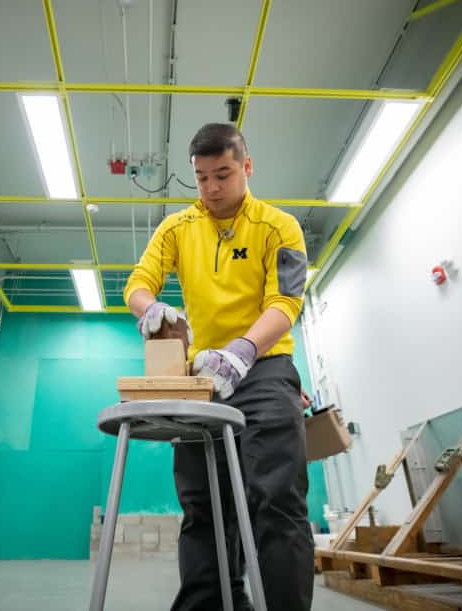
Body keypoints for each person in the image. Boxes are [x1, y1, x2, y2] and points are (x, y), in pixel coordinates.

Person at [124, 122, 314, 610]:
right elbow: (139, 280)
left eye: (223, 175)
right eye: (202, 177)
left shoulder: (279, 226)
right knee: (204, 505)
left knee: (276, 500)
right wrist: (149, 308)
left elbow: (285, 301)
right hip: (201, 378)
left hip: (265, 368)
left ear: (246, 167)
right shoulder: (178, 228)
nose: (210, 189)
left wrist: (243, 350)